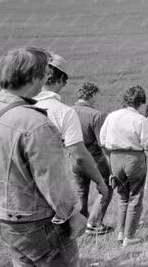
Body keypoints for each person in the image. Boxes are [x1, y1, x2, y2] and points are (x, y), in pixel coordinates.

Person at [0, 47, 86, 266]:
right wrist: (73, 214)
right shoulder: (35, 123)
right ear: (34, 77)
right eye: (45, 73)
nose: (47, 78)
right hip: (33, 218)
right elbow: (52, 179)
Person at [33, 54, 110, 235]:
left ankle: (81, 222)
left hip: (20, 193)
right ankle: (90, 224)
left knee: (81, 191)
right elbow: (84, 150)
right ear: (61, 80)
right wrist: (100, 181)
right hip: (84, 161)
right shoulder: (70, 112)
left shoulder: (21, 105)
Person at [100, 86, 148, 247]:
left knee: (122, 196)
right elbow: (147, 143)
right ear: (140, 102)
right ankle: (129, 236)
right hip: (134, 157)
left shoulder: (111, 116)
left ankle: (120, 232)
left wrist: (111, 157)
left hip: (115, 156)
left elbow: (102, 139)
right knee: (135, 197)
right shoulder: (140, 119)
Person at [72, 82, 114, 235]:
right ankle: (94, 224)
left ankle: (80, 226)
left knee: (81, 191)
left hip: (74, 157)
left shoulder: (69, 111)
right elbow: (101, 141)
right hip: (94, 157)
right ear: (92, 94)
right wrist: (110, 157)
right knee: (106, 187)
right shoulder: (95, 115)